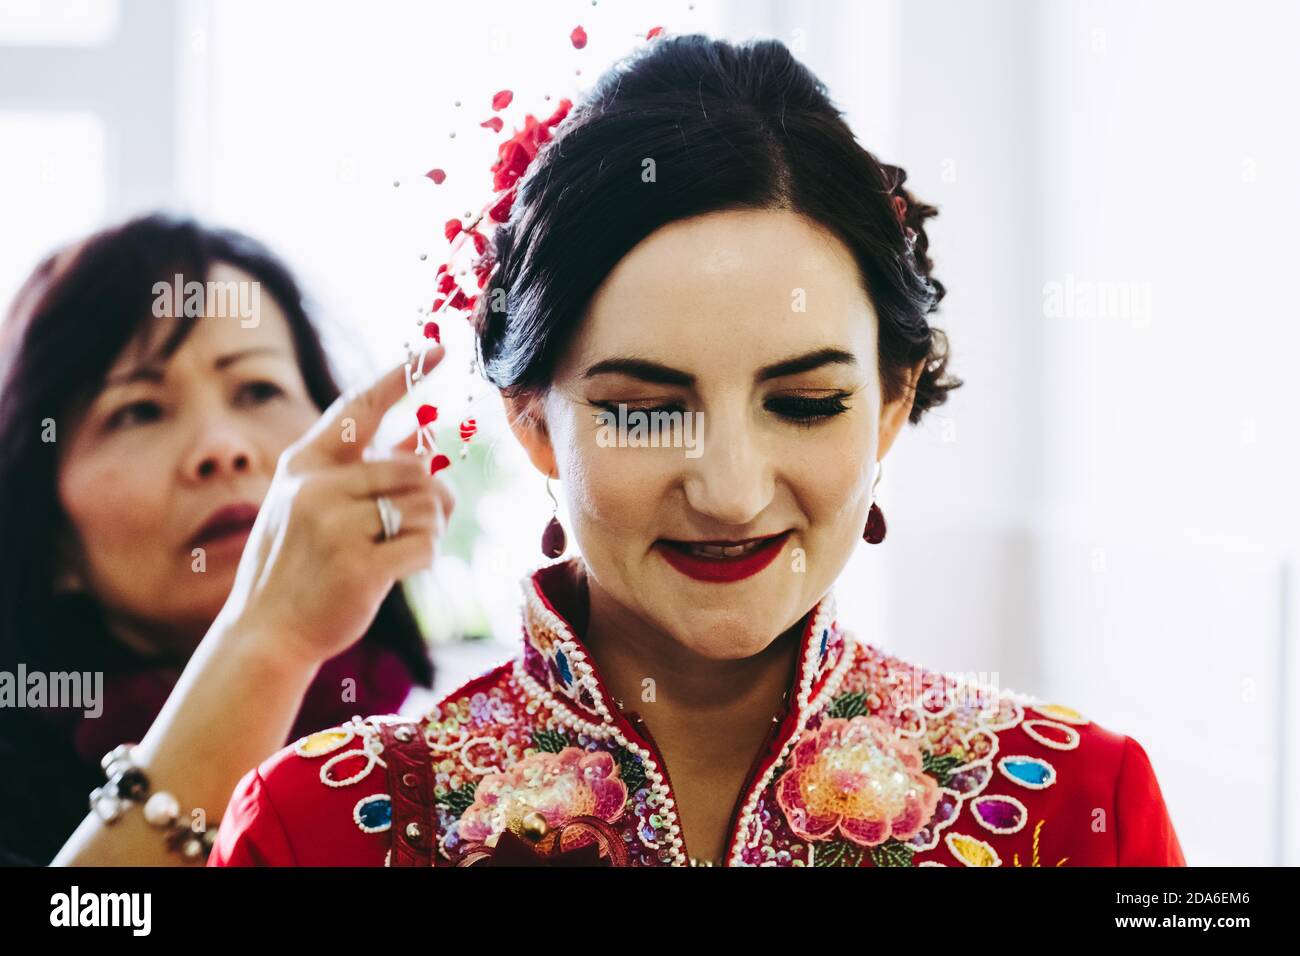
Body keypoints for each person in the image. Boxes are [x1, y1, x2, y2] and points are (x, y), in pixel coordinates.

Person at [209, 35, 1186, 867]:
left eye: (804, 402)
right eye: (643, 408)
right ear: (532, 419)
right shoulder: (321, 824)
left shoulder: (1076, 808)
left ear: (892, 401)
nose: (729, 491)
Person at [0, 215, 452, 866]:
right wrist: (267, 643)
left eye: (258, 389)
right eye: (139, 410)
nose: (222, 448)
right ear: (53, 545)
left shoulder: (469, 759)